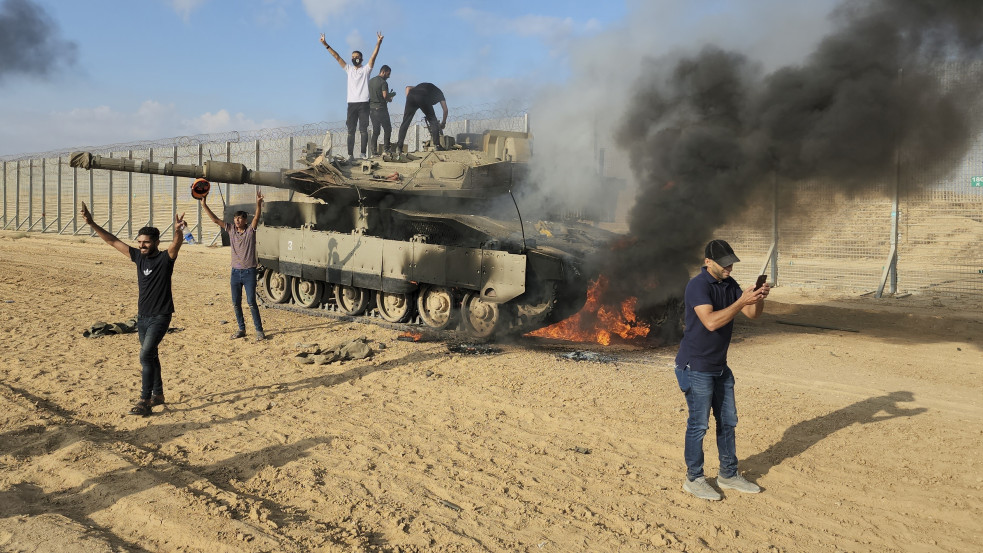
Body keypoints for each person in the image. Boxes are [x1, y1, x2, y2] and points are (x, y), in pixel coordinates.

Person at [674, 239, 769, 501]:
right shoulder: (698, 286)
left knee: (728, 422)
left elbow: (752, 314)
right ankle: (693, 478)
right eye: (725, 263)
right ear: (708, 262)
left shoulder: (729, 284)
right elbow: (711, 322)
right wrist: (741, 302)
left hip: (719, 367)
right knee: (698, 425)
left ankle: (728, 474)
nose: (730, 266)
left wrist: (757, 298)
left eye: (731, 262)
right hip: (696, 367)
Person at [80, 201, 186, 417]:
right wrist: (92, 223)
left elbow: (176, 245)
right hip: (142, 317)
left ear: (156, 242)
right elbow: (112, 241)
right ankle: (158, 395)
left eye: (146, 243)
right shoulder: (138, 258)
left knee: (145, 355)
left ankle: (144, 400)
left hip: (160, 316)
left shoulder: (165, 259)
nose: (141, 246)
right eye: (139, 242)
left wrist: (178, 232)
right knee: (151, 356)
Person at [199, 190, 266, 342]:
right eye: (235, 218)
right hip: (235, 273)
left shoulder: (250, 231)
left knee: (251, 302)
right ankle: (241, 329)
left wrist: (258, 204)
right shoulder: (230, 230)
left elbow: (256, 217)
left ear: (245, 221)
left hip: (249, 272)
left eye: (239, 219)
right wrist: (204, 205)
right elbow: (216, 220)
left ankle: (259, 331)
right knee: (236, 303)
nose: (236, 221)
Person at [319, 31, 384, 161]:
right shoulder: (348, 69)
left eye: (357, 56)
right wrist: (325, 44)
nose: (355, 58)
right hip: (351, 104)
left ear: (361, 58)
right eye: (353, 56)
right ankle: (350, 155)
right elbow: (336, 57)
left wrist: (378, 43)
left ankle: (363, 154)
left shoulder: (366, 70)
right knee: (351, 131)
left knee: (363, 130)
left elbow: (373, 57)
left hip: (364, 103)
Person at [394, 82, 448, 155]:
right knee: (433, 121)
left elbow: (408, 88)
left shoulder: (424, 87)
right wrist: (443, 123)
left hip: (411, 96)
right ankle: (437, 145)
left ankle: (399, 148)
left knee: (405, 122)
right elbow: (445, 110)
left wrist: (409, 101)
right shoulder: (440, 94)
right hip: (423, 96)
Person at [368, 65, 394, 156]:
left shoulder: (370, 81)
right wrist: (390, 98)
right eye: (388, 74)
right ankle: (386, 149)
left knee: (376, 131)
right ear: (383, 72)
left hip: (371, 109)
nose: (389, 76)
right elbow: (384, 96)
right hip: (381, 109)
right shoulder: (383, 82)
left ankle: (373, 152)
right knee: (387, 129)